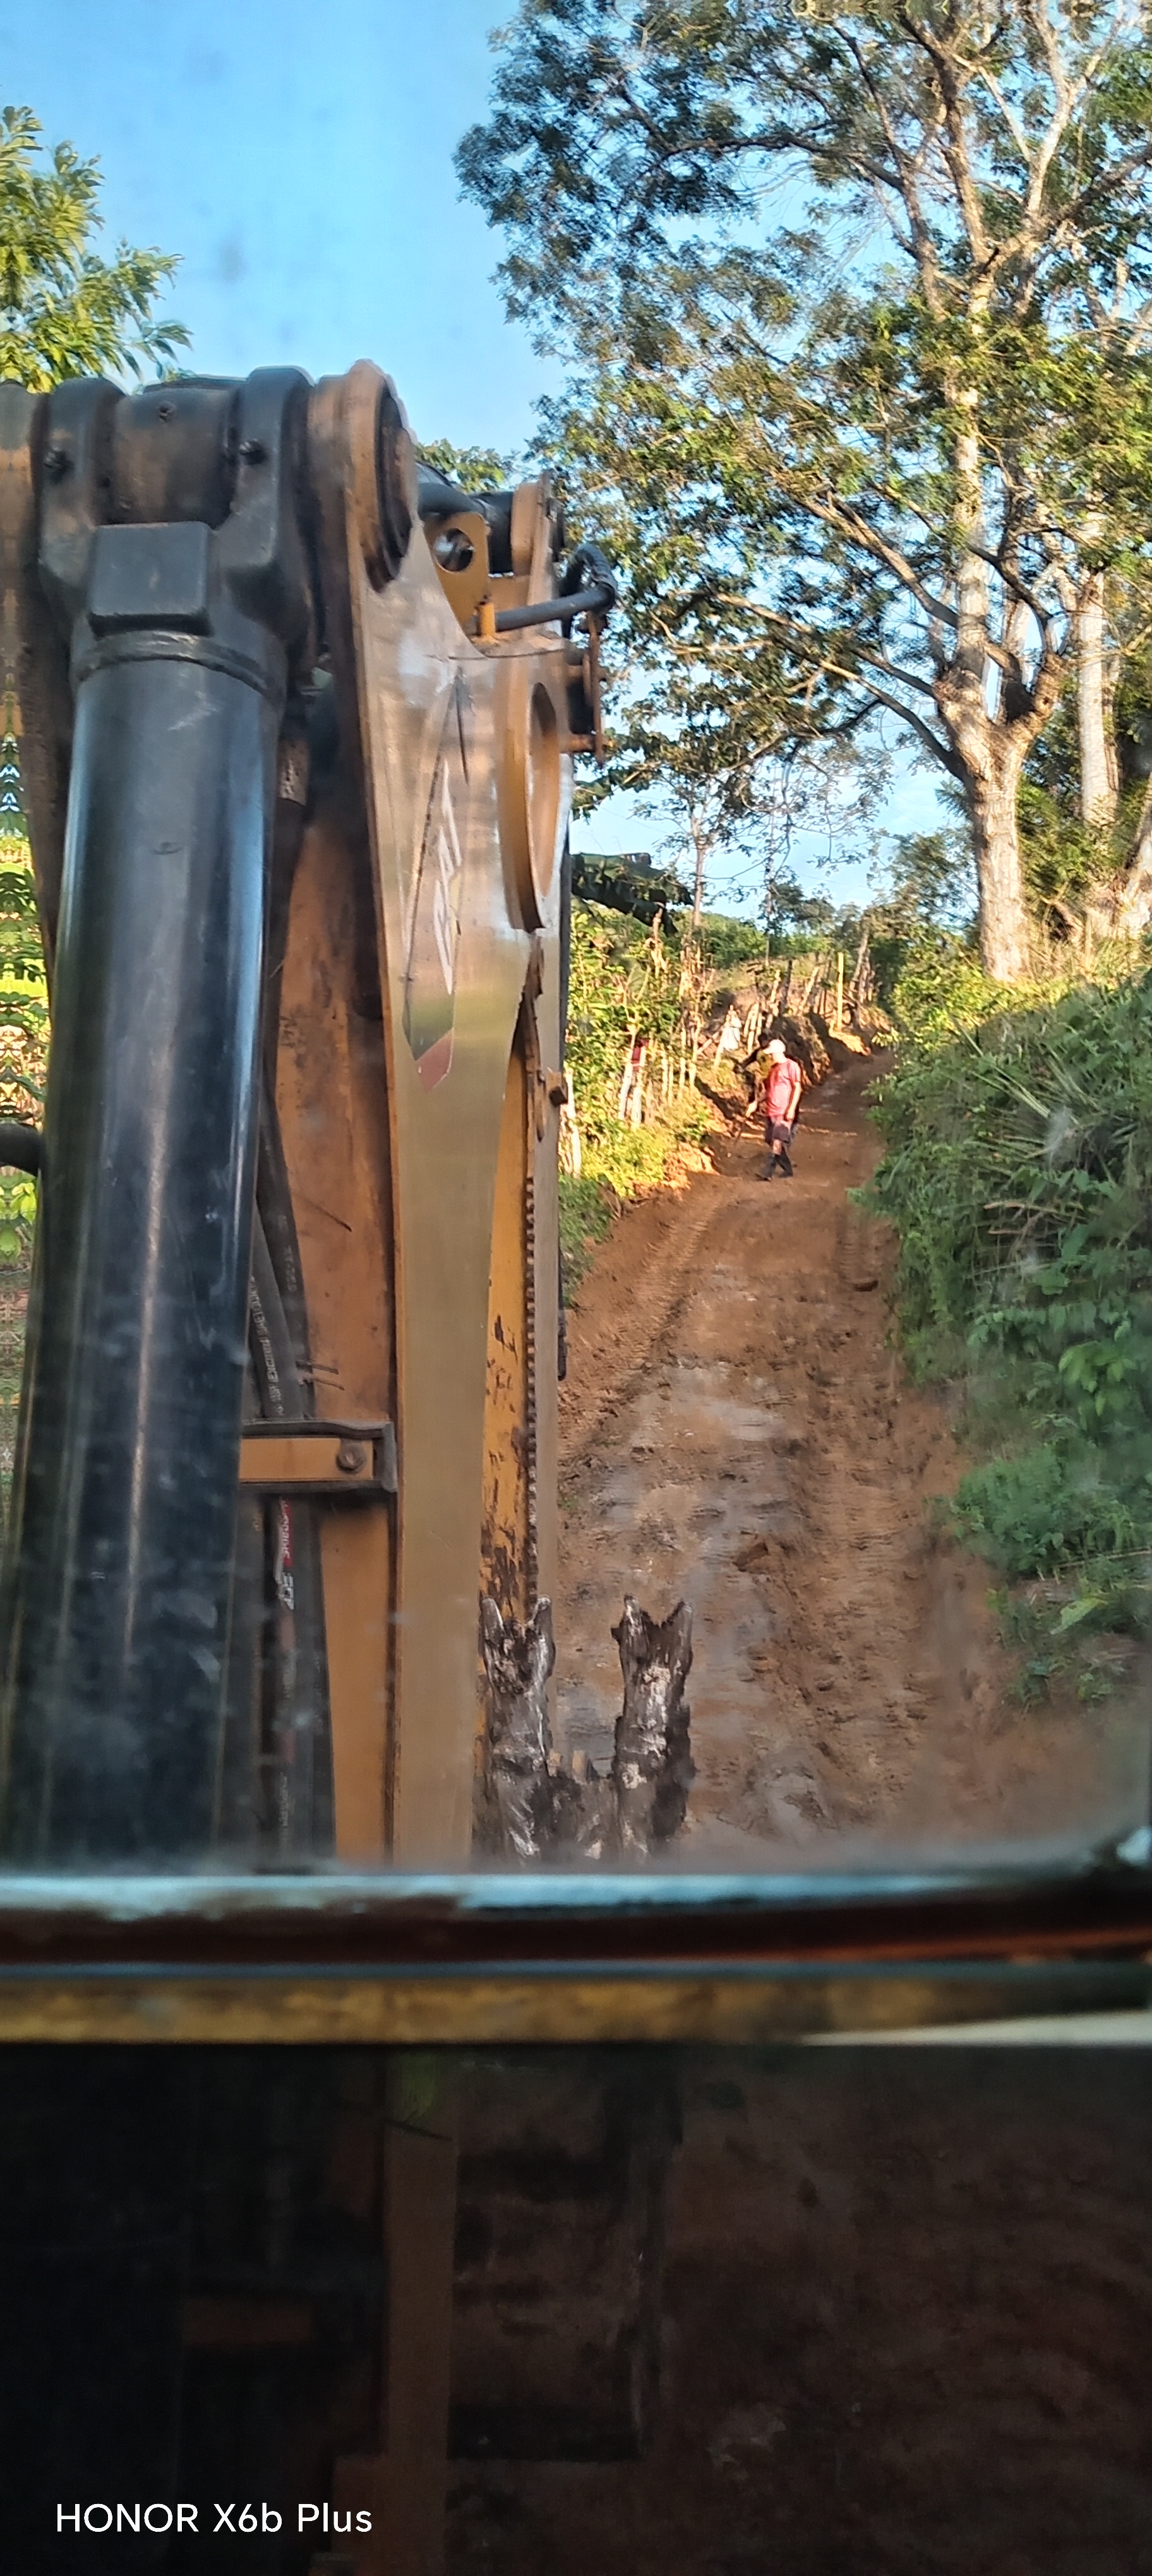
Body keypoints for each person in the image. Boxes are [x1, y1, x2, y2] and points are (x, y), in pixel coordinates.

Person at [756, 1035, 802, 1179]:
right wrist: (756, 1102)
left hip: (783, 1111)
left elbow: (797, 1088)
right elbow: (769, 1091)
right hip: (771, 1111)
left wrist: (791, 1109)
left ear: (778, 1053)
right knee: (771, 1140)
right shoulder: (773, 1070)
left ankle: (768, 1172)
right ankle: (788, 1169)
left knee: (777, 1140)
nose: (770, 1057)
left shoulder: (792, 1066)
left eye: (772, 1054)